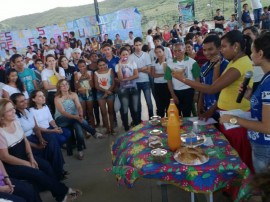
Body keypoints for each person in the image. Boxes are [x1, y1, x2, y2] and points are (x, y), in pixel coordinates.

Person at [172, 30, 254, 172]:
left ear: (235, 46)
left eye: (223, 46)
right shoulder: (234, 62)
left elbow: (212, 88)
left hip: (236, 118)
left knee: (237, 157)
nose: (221, 50)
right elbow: (215, 85)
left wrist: (183, 79)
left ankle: (239, 189)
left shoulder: (238, 64)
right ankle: (231, 187)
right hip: (228, 116)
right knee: (230, 155)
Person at [0, 99, 81, 202]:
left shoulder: (15, 121)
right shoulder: (1, 132)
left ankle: (60, 195)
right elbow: (5, 157)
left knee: (46, 166)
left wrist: (31, 157)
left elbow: (24, 140)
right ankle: (63, 191)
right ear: (2, 115)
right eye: (10, 110)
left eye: (13, 108)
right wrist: (26, 163)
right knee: (37, 173)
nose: (14, 111)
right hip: (12, 164)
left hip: (25, 156)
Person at [220, 32, 270, 173]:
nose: (250, 54)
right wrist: (249, 96)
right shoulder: (266, 79)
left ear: (260, 54)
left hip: (265, 147)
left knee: (265, 189)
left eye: (252, 51)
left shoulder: (268, 83)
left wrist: (234, 119)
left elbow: (267, 127)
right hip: (261, 145)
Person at [11, 93, 66, 181]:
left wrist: (41, 139)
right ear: (15, 105)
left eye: (25, 99)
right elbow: (21, 138)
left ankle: (58, 170)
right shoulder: (15, 118)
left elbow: (36, 128)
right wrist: (36, 145)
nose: (25, 102)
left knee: (51, 140)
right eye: (21, 101)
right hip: (26, 141)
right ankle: (57, 171)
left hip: (34, 136)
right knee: (49, 145)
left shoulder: (28, 111)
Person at [54, 79, 104, 160]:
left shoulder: (73, 94)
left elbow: (79, 106)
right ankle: (94, 132)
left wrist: (80, 114)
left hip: (74, 118)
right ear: (59, 88)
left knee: (78, 128)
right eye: (62, 85)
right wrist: (76, 117)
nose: (65, 86)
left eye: (66, 84)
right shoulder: (57, 98)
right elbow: (63, 112)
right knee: (78, 120)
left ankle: (80, 150)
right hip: (62, 120)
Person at [164, 42, 200, 117]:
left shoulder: (192, 62)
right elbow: (169, 81)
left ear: (184, 50)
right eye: (175, 51)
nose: (177, 53)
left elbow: (197, 78)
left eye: (179, 50)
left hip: (189, 91)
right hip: (176, 92)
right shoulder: (170, 65)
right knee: (176, 114)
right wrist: (173, 94)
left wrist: (196, 93)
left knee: (187, 114)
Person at [198, 34, 229, 121]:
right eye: (204, 50)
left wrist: (211, 111)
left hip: (221, 111)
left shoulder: (227, 66)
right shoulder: (204, 66)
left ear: (219, 48)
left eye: (210, 49)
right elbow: (202, 87)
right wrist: (199, 105)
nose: (207, 53)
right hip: (207, 108)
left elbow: (223, 92)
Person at [130, 37, 153, 121]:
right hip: (135, 82)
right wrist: (142, 69)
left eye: (140, 45)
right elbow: (132, 72)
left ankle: (152, 120)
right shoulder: (131, 57)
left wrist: (137, 70)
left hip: (145, 81)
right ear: (134, 46)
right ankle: (138, 122)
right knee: (137, 104)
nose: (138, 47)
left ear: (142, 45)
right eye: (136, 45)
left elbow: (149, 71)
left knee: (149, 102)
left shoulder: (146, 55)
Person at [115, 47, 139, 131]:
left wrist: (126, 79)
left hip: (133, 88)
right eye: (123, 54)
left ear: (128, 54)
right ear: (120, 55)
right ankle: (126, 127)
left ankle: (136, 126)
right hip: (123, 90)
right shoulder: (117, 65)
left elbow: (136, 75)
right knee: (124, 109)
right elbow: (120, 78)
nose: (125, 56)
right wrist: (120, 66)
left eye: (126, 54)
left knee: (135, 108)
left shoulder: (133, 63)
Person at [94, 58, 115, 134]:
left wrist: (108, 91)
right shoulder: (96, 73)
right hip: (100, 93)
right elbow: (96, 85)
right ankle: (107, 129)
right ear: (97, 66)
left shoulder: (110, 70)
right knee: (103, 112)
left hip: (110, 92)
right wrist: (105, 91)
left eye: (103, 65)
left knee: (111, 111)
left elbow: (113, 83)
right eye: (100, 65)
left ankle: (112, 128)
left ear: (106, 64)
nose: (102, 67)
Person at [151, 45, 171, 117]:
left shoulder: (169, 61)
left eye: (160, 52)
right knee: (159, 105)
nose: (158, 54)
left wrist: (160, 74)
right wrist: (164, 74)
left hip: (167, 85)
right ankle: (161, 121)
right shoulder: (154, 62)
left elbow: (169, 73)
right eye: (156, 52)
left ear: (163, 52)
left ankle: (169, 121)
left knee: (168, 104)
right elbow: (153, 74)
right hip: (157, 85)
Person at [74, 60, 95, 127]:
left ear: (86, 66)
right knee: (83, 113)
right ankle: (85, 130)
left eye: (83, 66)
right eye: (80, 67)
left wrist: (89, 78)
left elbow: (92, 86)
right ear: (78, 67)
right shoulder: (76, 74)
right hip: (80, 95)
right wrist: (80, 79)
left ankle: (93, 128)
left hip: (89, 93)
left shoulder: (90, 72)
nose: (82, 68)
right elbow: (76, 87)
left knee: (91, 112)